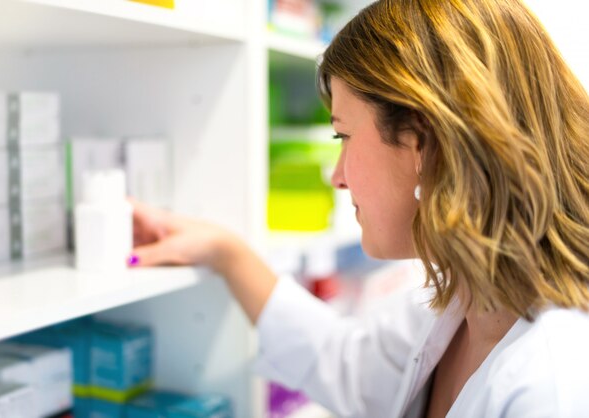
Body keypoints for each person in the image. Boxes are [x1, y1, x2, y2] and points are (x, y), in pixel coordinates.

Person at [127, 0, 589, 416]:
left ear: (422, 143)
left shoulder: (552, 385)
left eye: (343, 136)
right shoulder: (464, 307)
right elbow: (343, 362)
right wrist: (227, 254)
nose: (337, 176)